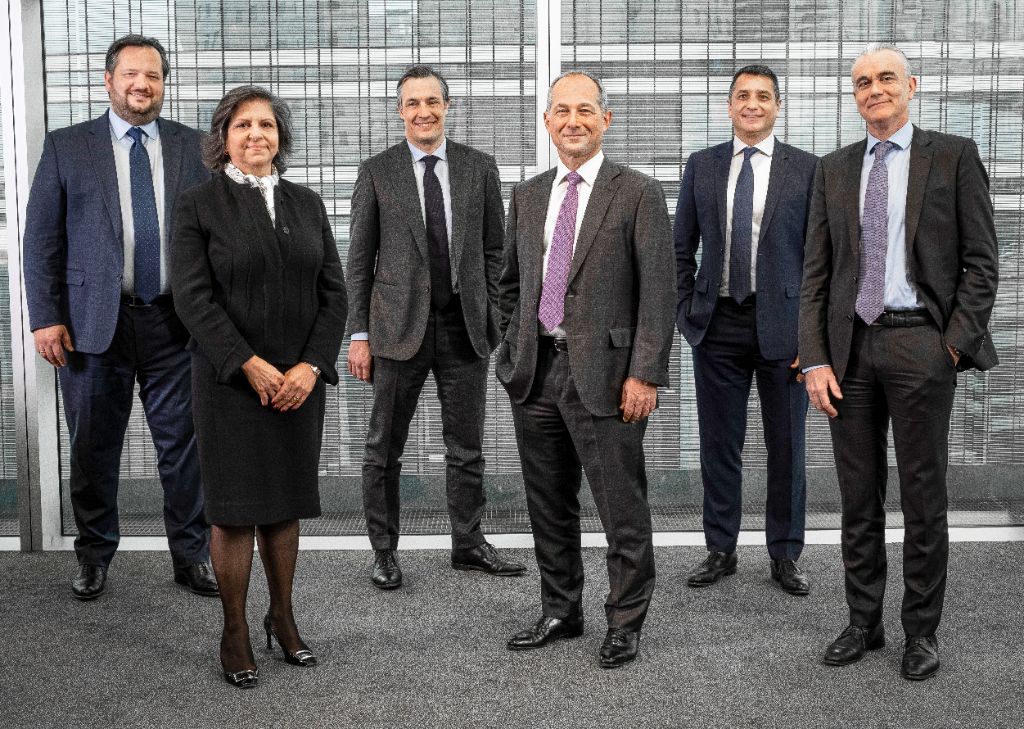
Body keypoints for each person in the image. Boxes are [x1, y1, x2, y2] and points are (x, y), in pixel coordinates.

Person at [799, 43, 998, 681]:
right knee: (858, 498)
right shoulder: (833, 169)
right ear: (853, 95)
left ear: (911, 85)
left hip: (922, 346)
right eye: (862, 82)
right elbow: (815, 276)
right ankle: (864, 622)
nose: (874, 89)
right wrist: (814, 360)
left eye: (886, 78)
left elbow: (982, 263)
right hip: (850, 350)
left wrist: (951, 346)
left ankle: (921, 631)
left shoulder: (954, 156)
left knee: (922, 496)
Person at [22, 34, 216, 601]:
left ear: (163, 83)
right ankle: (93, 554)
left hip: (174, 323)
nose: (142, 85)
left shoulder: (194, 148)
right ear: (109, 80)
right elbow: (40, 241)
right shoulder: (67, 146)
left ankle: (191, 556)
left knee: (186, 446)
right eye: (131, 74)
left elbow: (214, 237)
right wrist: (45, 318)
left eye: (153, 75)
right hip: (89, 324)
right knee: (93, 446)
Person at [497, 71, 675, 668]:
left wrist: (645, 374)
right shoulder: (526, 194)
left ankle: (625, 621)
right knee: (548, 502)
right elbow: (510, 287)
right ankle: (560, 608)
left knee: (621, 506)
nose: (572, 121)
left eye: (585, 111)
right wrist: (512, 350)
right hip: (536, 373)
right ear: (547, 122)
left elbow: (658, 293)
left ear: (606, 120)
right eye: (561, 111)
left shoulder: (638, 192)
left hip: (609, 376)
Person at [171, 85, 347, 688]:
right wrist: (247, 363)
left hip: (299, 383)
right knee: (233, 514)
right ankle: (235, 630)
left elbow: (334, 292)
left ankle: (283, 617)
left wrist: (310, 366)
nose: (256, 135)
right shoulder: (198, 204)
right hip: (230, 384)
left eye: (267, 125)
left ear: (280, 137)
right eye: (243, 125)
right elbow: (193, 299)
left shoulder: (306, 202)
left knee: (284, 507)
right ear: (223, 137)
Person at [346, 65, 524, 589]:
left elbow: (498, 251)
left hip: (464, 328)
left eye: (432, 102)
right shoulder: (377, 171)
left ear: (447, 107)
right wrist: (359, 333)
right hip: (396, 329)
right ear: (400, 111)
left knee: (466, 446)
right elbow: (359, 261)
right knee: (384, 447)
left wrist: (493, 315)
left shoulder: (479, 167)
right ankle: (384, 551)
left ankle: (468, 545)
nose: (423, 111)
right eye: (412, 103)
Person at [674, 65, 817, 596]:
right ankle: (720, 549)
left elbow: (820, 258)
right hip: (718, 325)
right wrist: (688, 307)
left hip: (785, 328)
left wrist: (814, 335)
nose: (751, 104)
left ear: (777, 105)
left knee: (787, 446)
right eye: (742, 96)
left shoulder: (806, 169)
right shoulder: (703, 166)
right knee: (719, 445)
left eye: (762, 96)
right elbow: (679, 246)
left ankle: (784, 554)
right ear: (729, 105)